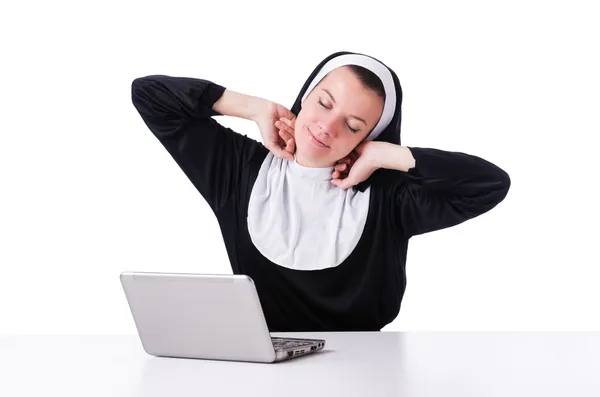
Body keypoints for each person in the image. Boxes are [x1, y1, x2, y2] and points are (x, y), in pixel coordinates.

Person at [130, 51, 511, 332]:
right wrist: (254, 108)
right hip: (266, 366)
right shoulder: (238, 170)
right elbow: (149, 94)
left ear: (369, 138)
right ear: (306, 96)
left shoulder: (388, 199)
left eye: (353, 125)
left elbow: (490, 184)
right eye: (324, 103)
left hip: (373, 371)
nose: (327, 127)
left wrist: (391, 156)